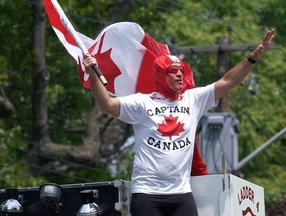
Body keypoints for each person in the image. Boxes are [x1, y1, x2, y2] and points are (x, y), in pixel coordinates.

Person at [83, 29, 274, 216]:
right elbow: (107, 104)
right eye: (173, 72)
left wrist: (253, 58)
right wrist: (93, 73)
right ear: (160, 76)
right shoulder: (142, 102)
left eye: (181, 71)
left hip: (181, 193)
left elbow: (228, 81)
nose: (180, 75)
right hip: (146, 192)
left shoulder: (193, 99)